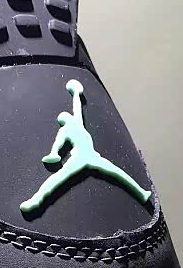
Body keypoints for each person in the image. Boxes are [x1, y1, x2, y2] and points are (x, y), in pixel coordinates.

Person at [20, 79, 152, 213]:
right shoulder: (66, 130)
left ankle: (142, 192)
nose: (68, 117)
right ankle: (35, 200)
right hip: (79, 158)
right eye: (65, 118)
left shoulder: (76, 123)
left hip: (91, 156)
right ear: (64, 121)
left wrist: (76, 93)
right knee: (58, 179)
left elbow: (77, 107)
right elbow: (58, 145)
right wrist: (54, 154)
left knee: (118, 173)